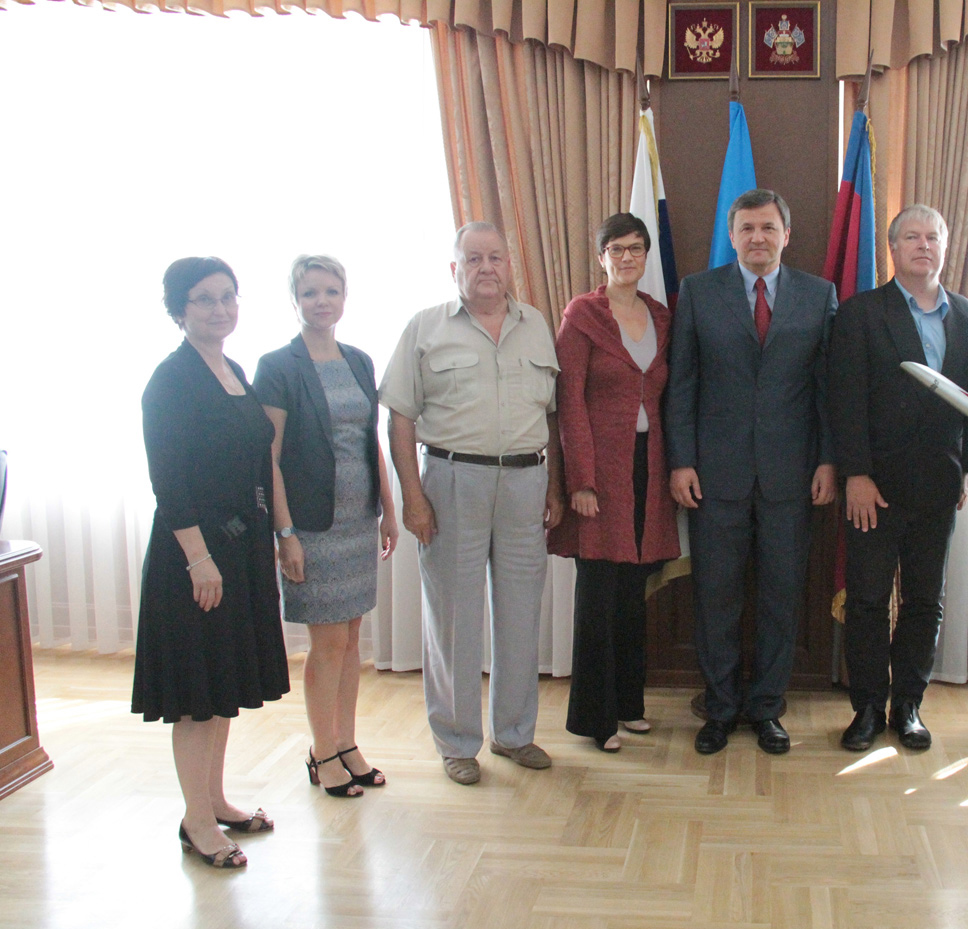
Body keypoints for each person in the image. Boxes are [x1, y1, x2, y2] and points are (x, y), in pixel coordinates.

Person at [380, 222, 563, 786]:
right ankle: (457, 742)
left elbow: (551, 417)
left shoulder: (537, 326)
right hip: (452, 482)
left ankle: (514, 735)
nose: (486, 268)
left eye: (496, 258)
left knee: (519, 611)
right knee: (454, 616)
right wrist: (413, 497)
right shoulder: (425, 328)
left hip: (526, 484)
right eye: (474, 258)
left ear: (510, 264)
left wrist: (553, 486)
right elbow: (400, 419)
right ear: (454, 268)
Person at [666, 188, 837, 756]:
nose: (758, 238)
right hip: (715, 474)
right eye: (747, 229)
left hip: (793, 474)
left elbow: (826, 391)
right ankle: (718, 710)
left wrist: (828, 461)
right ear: (732, 235)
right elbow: (682, 383)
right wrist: (682, 460)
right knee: (716, 596)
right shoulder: (697, 291)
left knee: (780, 597)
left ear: (786, 234)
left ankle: (766, 708)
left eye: (768, 228)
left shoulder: (819, 295)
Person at [132, 257, 289, 869]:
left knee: (222, 683)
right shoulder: (169, 382)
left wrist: (276, 536)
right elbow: (168, 482)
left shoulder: (233, 369)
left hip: (240, 548)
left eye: (228, 297)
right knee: (197, 693)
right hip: (194, 556)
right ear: (178, 311)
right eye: (204, 300)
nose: (220, 309)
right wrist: (199, 559)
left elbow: (256, 460)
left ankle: (216, 799)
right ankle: (196, 821)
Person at [828, 204, 968, 752]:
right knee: (867, 600)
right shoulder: (861, 313)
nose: (923, 245)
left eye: (932, 236)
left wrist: (964, 465)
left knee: (923, 602)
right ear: (893, 250)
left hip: (938, 486)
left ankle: (908, 706)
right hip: (876, 487)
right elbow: (845, 400)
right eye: (911, 237)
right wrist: (857, 475)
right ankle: (867, 708)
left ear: (944, 246)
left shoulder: (966, 315)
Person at [253, 255, 398, 796]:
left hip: (359, 519)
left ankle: (347, 743)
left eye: (331, 291)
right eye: (310, 292)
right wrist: (284, 533)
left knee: (352, 636)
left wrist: (387, 508)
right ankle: (321, 752)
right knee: (327, 644)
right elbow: (269, 455)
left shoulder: (359, 361)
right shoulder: (278, 366)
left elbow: (371, 440)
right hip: (312, 524)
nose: (321, 301)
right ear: (295, 300)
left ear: (344, 298)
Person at [548, 214, 680, 752]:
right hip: (599, 473)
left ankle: (629, 703)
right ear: (601, 256)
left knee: (632, 592)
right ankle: (595, 719)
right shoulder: (582, 316)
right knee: (599, 593)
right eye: (616, 249)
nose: (627, 258)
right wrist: (580, 480)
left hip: (649, 467)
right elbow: (568, 402)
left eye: (636, 249)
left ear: (647, 256)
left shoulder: (663, 317)